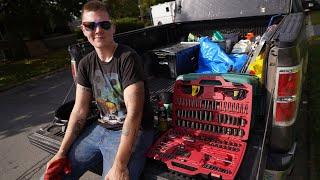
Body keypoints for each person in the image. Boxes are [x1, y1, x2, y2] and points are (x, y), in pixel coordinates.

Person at [44, 1, 154, 179]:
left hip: (134, 131)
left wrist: (120, 165)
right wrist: (61, 152)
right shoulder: (86, 64)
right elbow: (79, 111)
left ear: (113, 28)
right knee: (53, 175)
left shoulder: (127, 58)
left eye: (104, 24)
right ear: (83, 29)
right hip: (100, 128)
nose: (98, 30)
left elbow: (134, 114)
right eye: (90, 25)